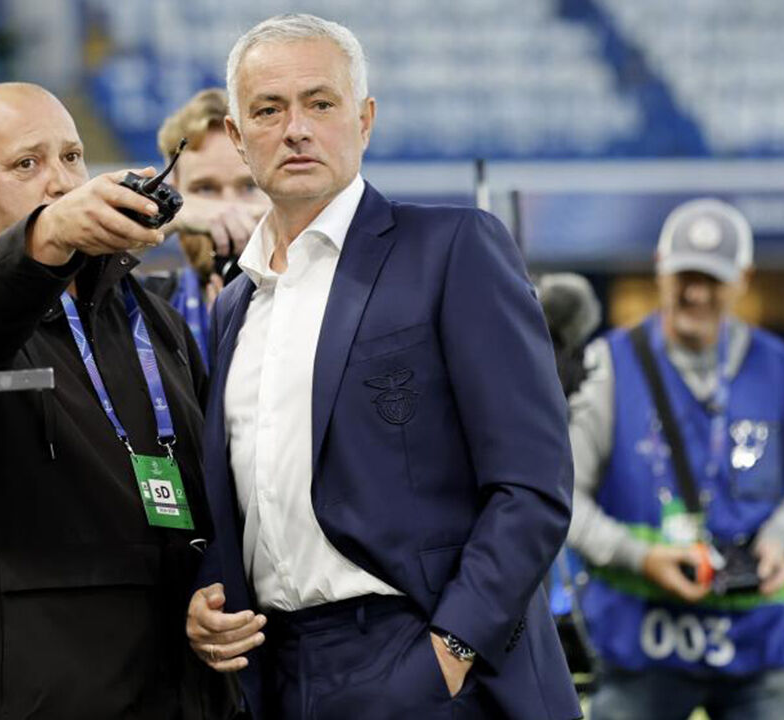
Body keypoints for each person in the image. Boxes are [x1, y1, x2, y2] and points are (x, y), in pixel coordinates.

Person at [185, 14, 580, 720]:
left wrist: (452, 650)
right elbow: (241, 503)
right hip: (279, 673)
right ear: (241, 139)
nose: (296, 128)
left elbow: (533, 483)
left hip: (425, 659)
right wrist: (209, 597)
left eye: (320, 103)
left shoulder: (452, 249)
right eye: (269, 110)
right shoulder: (235, 306)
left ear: (364, 121)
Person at [0, 82, 226, 719]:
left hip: (176, 686)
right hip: (33, 694)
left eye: (72, 157)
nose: (60, 183)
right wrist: (45, 240)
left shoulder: (148, 318)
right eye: (27, 164)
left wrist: (208, 588)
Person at [565, 198, 784, 719]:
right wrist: (639, 557)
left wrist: (780, 540)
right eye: (685, 275)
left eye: (713, 278)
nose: (695, 292)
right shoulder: (606, 366)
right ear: (659, 269)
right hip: (634, 645)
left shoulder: (782, 369)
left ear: (744, 278)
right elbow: (563, 497)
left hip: (760, 646)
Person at [146, 88, 270, 363]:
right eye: (204, 189)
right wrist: (168, 216)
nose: (226, 211)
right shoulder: (140, 308)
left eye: (249, 186)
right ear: (174, 193)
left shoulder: (326, 299)